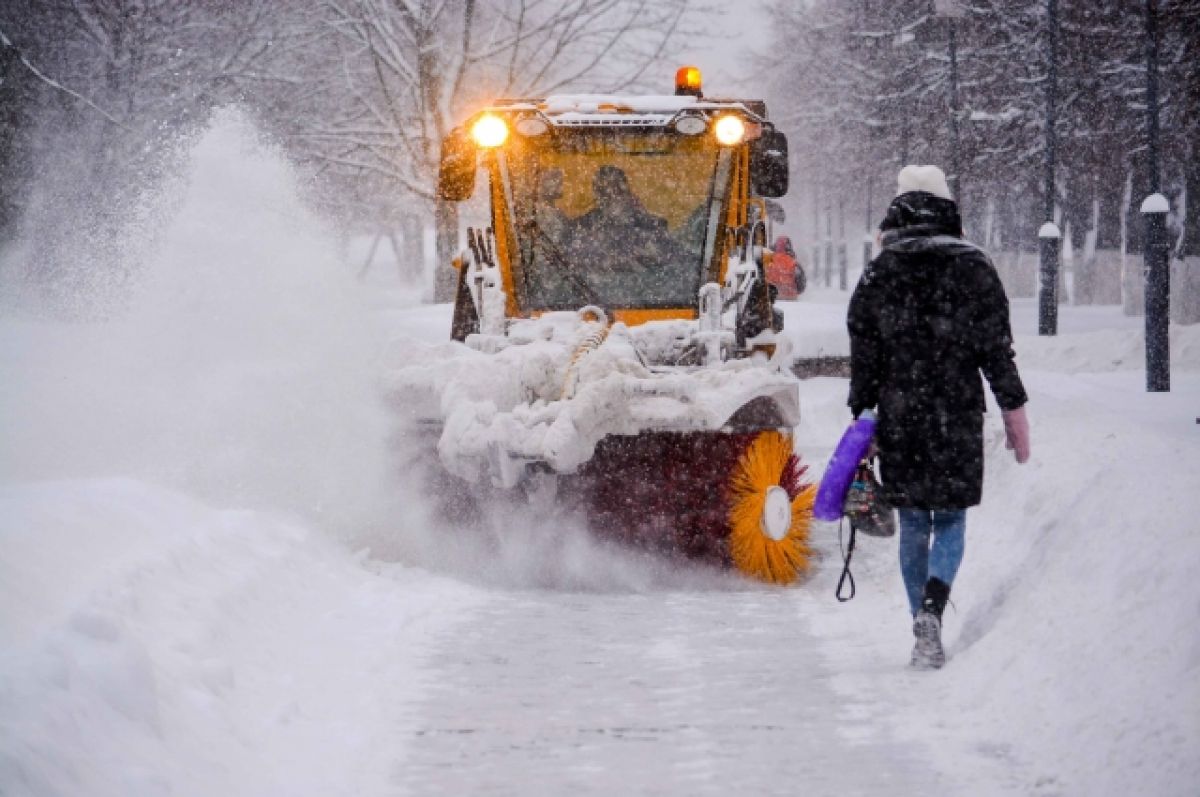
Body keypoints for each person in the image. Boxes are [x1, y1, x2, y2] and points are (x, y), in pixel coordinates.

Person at [846, 164, 1031, 670]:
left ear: (897, 209)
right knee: (949, 518)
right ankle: (934, 609)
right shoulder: (974, 266)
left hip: (902, 411)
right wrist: (1013, 409)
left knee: (912, 522)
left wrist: (863, 416)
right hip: (957, 410)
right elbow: (997, 348)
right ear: (949, 208)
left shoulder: (880, 270)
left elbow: (864, 351)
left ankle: (918, 625)